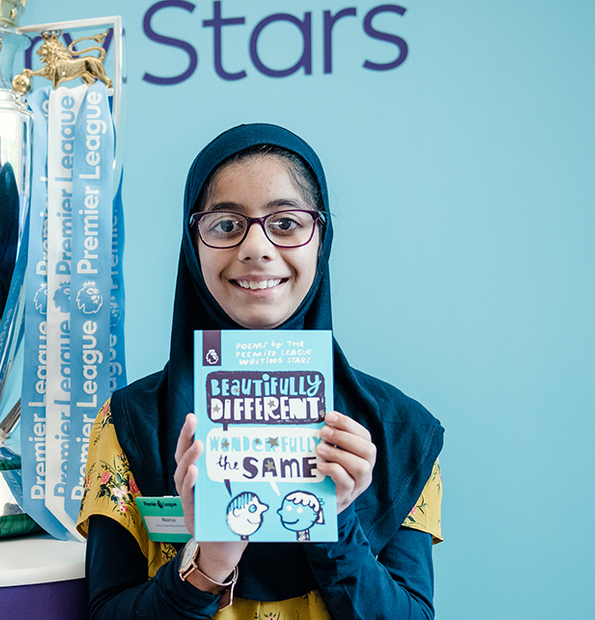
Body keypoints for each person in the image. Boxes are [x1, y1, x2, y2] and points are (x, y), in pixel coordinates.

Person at [77, 124, 444, 619]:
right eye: (226, 224)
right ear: (193, 244)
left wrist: (335, 522)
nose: (257, 248)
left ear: (322, 238)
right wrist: (208, 565)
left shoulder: (394, 432)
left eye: (286, 223)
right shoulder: (128, 425)